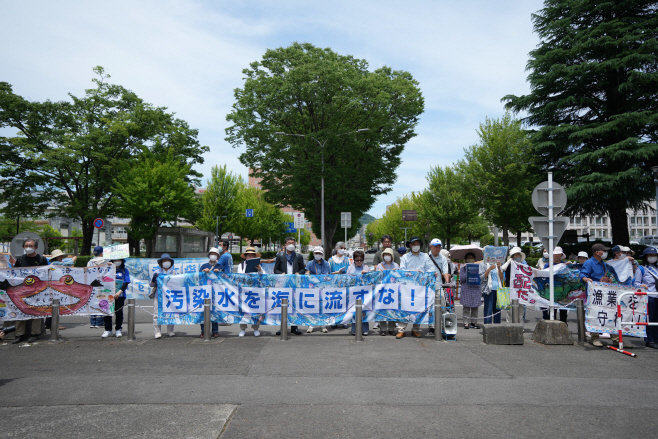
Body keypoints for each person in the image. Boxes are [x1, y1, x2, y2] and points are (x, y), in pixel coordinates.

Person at [580, 243, 623, 348]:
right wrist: (586, 279)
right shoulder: (589, 263)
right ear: (597, 252)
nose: (605, 253)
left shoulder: (604, 264)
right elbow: (582, 275)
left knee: (611, 314)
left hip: (606, 292)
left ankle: (616, 339)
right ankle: (594, 338)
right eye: (603, 251)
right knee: (595, 315)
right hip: (594, 293)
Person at [11, 239, 49, 344]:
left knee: (35, 311)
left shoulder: (42, 259)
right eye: (26, 245)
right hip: (22, 290)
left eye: (31, 245)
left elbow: (45, 274)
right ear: (23, 247)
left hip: (37, 290)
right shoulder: (20, 259)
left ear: (36, 247)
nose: (28, 247)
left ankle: (35, 334)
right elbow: (15, 273)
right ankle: (19, 334)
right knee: (20, 311)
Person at [397, 236, 435, 339]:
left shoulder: (425, 257)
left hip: (421, 287)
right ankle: (401, 330)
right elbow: (402, 271)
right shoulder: (405, 257)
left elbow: (429, 269)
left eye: (417, 244)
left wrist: (423, 273)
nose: (416, 246)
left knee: (418, 307)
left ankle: (415, 329)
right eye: (414, 244)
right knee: (404, 307)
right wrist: (414, 273)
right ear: (410, 245)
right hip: (407, 287)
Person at [273, 236, 305, 336]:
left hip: (295, 285)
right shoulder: (280, 256)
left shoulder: (299, 257)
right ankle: (282, 327)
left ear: (295, 245)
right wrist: (281, 274)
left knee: (294, 306)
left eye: (293, 243)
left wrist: (298, 273)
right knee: (283, 306)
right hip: (283, 285)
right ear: (285, 245)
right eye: (289, 243)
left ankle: (294, 327)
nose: (291, 245)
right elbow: (275, 270)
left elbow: (303, 270)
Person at [46, 249, 76, 331]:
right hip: (55, 287)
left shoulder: (56, 264)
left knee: (53, 306)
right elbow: (69, 264)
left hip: (55, 286)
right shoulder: (55, 263)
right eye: (60, 256)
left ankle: (50, 324)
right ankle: (53, 324)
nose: (61, 257)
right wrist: (73, 259)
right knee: (55, 306)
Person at [634, 246, 658, 347]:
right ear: (645, 257)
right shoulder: (641, 269)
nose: (653, 257)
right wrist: (641, 286)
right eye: (650, 255)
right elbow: (636, 283)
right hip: (649, 297)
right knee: (650, 318)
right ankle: (650, 339)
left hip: (657, 295)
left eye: (655, 255)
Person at [427, 239, 451, 335]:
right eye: (436, 246)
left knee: (442, 306)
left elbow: (445, 271)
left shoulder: (443, 258)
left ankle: (442, 325)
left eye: (439, 246)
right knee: (430, 308)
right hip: (428, 286)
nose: (437, 248)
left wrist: (447, 283)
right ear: (431, 246)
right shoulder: (425, 257)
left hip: (439, 286)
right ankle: (431, 327)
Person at [237, 247, 262, 337]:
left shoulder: (258, 265)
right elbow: (239, 276)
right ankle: (243, 329)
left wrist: (259, 270)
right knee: (243, 310)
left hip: (255, 290)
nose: (250, 256)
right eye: (249, 255)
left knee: (255, 310)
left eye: (252, 255)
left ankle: (256, 328)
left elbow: (263, 276)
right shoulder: (241, 265)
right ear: (246, 256)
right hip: (244, 290)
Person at [305, 246, 331, 334]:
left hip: (323, 288)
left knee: (323, 306)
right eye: (316, 253)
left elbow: (329, 276)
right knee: (312, 306)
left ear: (322, 254)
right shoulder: (310, 263)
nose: (318, 255)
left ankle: (323, 325)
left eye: (319, 253)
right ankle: (311, 325)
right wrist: (307, 274)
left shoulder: (326, 264)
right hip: (312, 288)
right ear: (313, 254)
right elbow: (307, 272)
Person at [150, 253, 176, 339]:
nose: (166, 262)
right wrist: (154, 278)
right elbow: (152, 285)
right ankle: (157, 332)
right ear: (161, 263)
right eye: (164, 261)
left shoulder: (174, 272)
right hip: (158, 295)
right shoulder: (157, 272)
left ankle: (170, 330)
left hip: (170, 296)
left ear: (170, 262)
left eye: (167, 260)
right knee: (156, 313)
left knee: (171, 313)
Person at [102, 258, 130, 338]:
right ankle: (108, 330)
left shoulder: (124, 270)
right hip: (108, 295)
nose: (117, 262)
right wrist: (106, 265)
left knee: (119, 313)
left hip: (120, 295)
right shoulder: (107, 269)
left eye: (119, 260)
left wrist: (119, 292)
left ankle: (118, 329)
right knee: (107, 312)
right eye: (115, 260)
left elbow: (126, 282)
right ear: (112, 261)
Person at [374, 248, 399, 336]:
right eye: (385, 255)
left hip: (393, 290)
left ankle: (391, 328)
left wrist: (397, 272)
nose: (387, 256)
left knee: (392, 309)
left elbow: (399, 277)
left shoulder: (396, 265)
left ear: (392, 256)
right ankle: (383, 329)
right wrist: (379, 273)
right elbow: (376, 278)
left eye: (388, 255)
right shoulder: (379, 266)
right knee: (382, 309)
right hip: (382, 290)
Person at [198, 247, 222, 338]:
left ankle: (215, 331)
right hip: (204, 292)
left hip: (215, 292)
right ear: (209, 255)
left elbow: (225, 278)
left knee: (214, 311)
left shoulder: (219, 266)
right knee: (203, 312)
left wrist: (219, 273)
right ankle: (203, 331)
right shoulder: (203, 266)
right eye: (211, 254)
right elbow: (198, 278)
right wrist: (203, 272)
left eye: (215, 254)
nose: (213, 256)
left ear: (217, 256)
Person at [540, 246, 568, 323]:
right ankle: (552, 325)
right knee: (552, 310)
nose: (557, 255)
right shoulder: (548, 265)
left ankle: (564, 326)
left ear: (561, 255)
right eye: (555, 254)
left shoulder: (565, 264)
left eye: (559, 254)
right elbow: (544, 276)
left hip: (563, 290)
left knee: (563, 310)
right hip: (551, 290)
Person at [347, 250, 370, 336]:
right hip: (354, 293)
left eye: (361, 260)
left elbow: (371, 279)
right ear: (354, 260)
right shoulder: (350, 268)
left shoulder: (366, 267)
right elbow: (347, 280)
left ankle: (365, 329)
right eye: (357, 260)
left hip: (364, 293)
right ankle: (354, 329)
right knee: (353, 311)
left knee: (365, 311)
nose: (359, 262)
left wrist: (366, 274)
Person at [459, 252, 482, 329]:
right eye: (469, 257)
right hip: (466, 289)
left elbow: (481, 277)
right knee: (466, 307)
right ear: (466, 259)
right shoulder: (463, 268)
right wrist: (468, 271)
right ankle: (466, 322)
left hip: (475, 288)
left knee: (475, 307)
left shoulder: (479, 268)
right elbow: (461, 279)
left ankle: (474, 322)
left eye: (472, 257)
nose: (470, 259)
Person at [87, 246, 107, 329]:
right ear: (102, 253)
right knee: (101, 302)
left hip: (92, 284)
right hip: (102, 284)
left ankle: (93, 322)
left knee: (93, 302)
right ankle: (99, 322)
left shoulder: (90, 262)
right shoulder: (105, 261)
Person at [481, 259, 503, 325]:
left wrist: (499, 268)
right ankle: (487, 327)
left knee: (497, 310)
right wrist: (489, 269)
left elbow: (501, 277)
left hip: (498, 290)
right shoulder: (483, 264)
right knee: (488, 309)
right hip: (488, 290)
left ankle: (497, 327)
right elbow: (482, 278)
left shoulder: (498, 263)